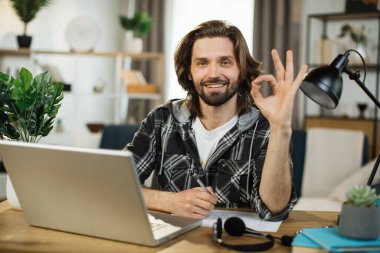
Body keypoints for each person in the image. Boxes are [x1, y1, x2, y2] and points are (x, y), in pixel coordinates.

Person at [125, 20, 308, 221]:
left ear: (242, 69)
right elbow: (114, 183)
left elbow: (273, 211)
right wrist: (169, 202)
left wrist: (281, 127)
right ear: (189, 71)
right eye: (202, 63)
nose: (213, 74)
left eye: (225, 62)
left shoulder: (264, 127)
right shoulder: (162, 119)